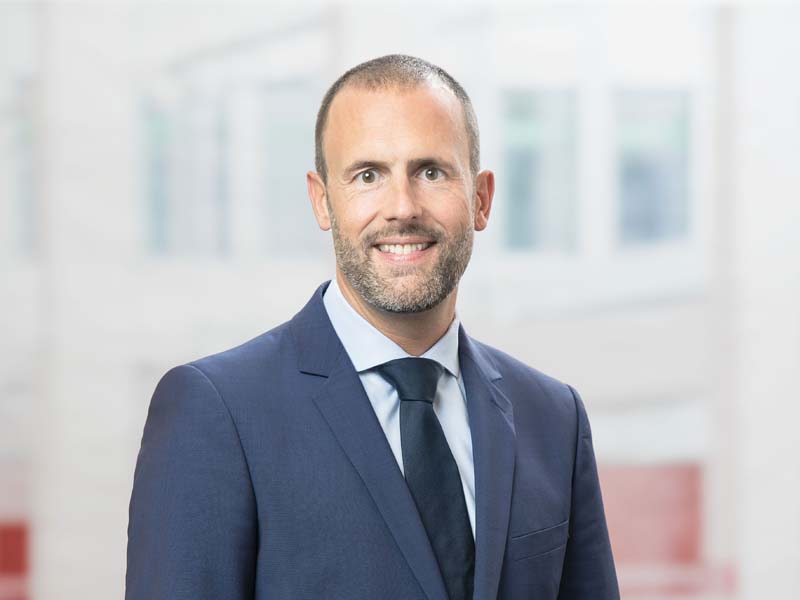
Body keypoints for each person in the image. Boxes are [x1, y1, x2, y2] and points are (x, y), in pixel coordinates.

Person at [126, 54, 619, 600]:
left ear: (480, 199)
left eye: (430, 172)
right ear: (322, 201)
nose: (402, 208)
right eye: (368, 175)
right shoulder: (217, 411)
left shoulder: (553, 417)